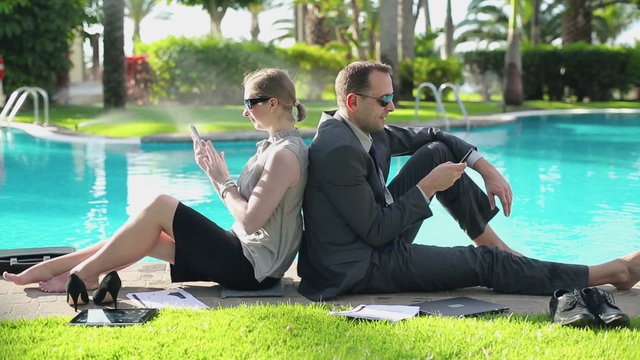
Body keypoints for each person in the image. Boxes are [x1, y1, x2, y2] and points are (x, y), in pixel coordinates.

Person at [297, 60, 640, 302]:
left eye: (392, 97)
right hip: (358, 266)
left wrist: (483, 166)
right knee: (486, 264)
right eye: (384, 99)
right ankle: (610, 273)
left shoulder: (360, 126)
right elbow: (375, 232)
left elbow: (434, 135)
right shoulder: (337, 150)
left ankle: (500, 250)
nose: (393, 106)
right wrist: (428, 186)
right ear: (353, 101)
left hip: (372, 239)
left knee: (436, 151)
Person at [3, 68, 309, 311]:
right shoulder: (274, 147)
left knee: (161, 205)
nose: (245, 111)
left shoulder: (284, 154)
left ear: (272, 103)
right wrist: (213, 175)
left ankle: (80, 276)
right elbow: (249, 219)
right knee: (142, 234)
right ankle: (51, 268)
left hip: (253, 269)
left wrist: (222, 179)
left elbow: (251, 221)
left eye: (249, 103)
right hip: (244, 253)